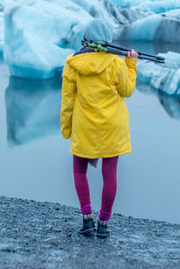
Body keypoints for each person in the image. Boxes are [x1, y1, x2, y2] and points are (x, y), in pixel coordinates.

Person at [60, 18, 138, 239]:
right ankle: (103, 223)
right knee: (110, 174)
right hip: (112, 127)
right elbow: (127, 90)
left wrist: (67, 129)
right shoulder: (116, 62)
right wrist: (131, 64)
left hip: (84, 126)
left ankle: (87, 220)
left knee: (78, 170)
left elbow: (67, 101)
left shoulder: (72, 63)